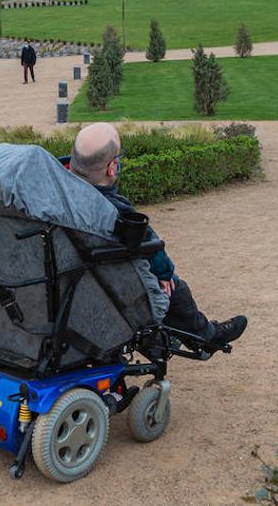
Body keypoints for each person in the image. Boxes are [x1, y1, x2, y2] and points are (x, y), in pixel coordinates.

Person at [67, 122, 247, 351]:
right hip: (103, 283)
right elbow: (150, 246)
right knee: (174, 287)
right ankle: (206, 336)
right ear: (112, 167)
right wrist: (164, 272)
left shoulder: (59, 195)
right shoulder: (116, 211)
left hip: (69, 280)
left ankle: (164, 337)